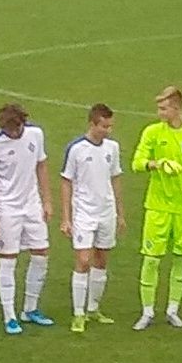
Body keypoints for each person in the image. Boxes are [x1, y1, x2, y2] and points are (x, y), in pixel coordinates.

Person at [131, 85, 182, 330]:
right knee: (152, 260)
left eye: (163, 108)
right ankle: (147, 312)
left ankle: (173, 310)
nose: (159, 112)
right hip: (157, 207)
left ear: (177, 108)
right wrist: (157, 164)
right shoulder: (152, 133)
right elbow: (136, 163)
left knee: (181, 259)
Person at [0, 103, 54, 335]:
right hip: (7, 209)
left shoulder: (36, 134)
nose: (11, 134)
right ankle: (10, 315)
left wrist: (47, 200)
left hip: (32, 205)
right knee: (8, 260)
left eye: (14, 130)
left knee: (41, 254)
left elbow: (41, 167)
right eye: (7, 130)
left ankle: (30, 309)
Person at [59, 104, 126, 333]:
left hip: (106, 212)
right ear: (92, 124)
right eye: (104, 126)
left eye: (110, 126)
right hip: (84, 213)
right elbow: (66, 182)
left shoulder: (113, 148)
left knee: (101, 260)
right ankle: (78, 313)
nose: (108, 130)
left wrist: (120, 213)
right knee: (83, 260)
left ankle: (93, 309)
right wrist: (66, 218)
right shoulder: (76, 149)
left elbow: (115, 178)